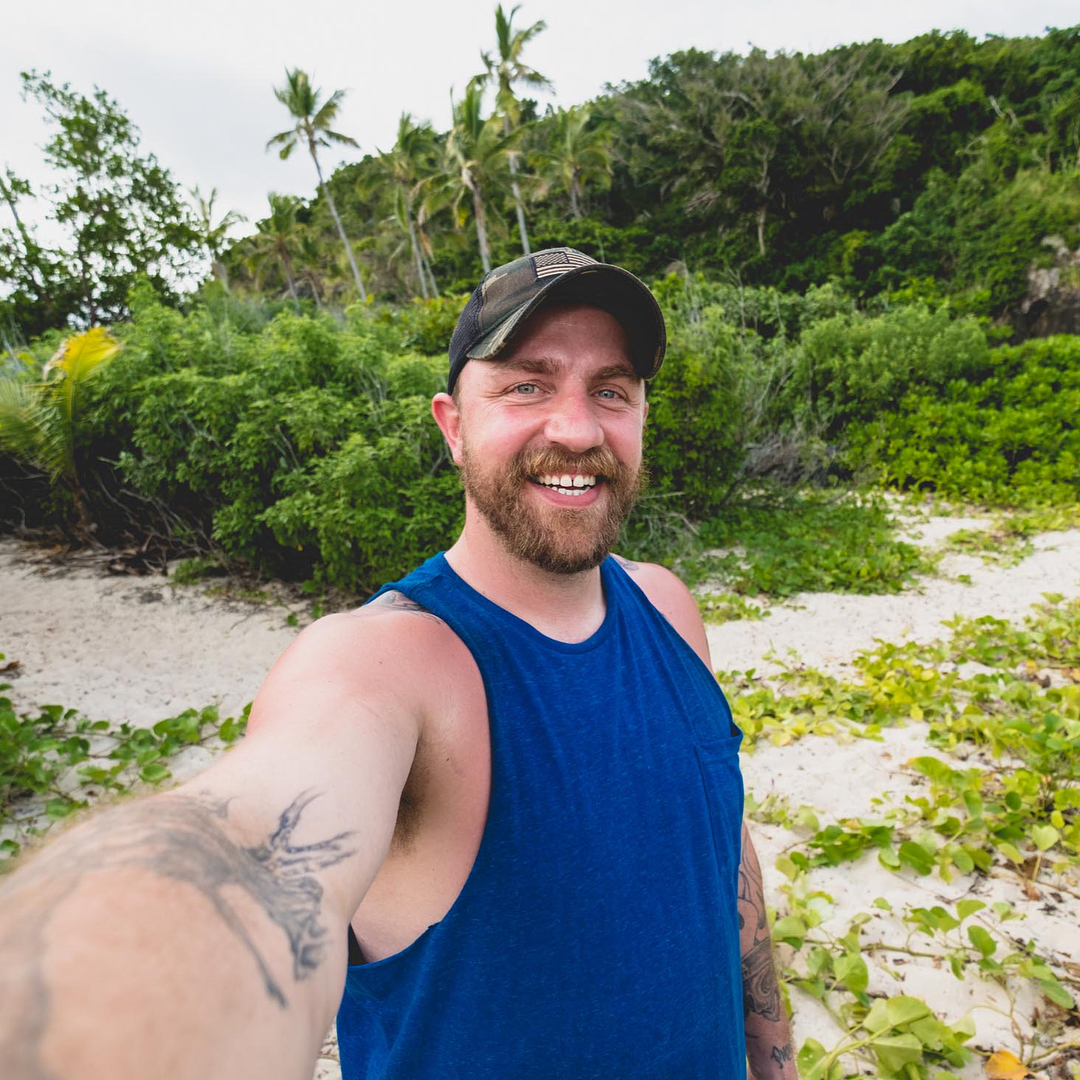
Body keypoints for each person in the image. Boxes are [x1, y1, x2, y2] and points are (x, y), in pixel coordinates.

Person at [0, 248, 795, 1079]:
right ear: (453, 427)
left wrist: (774, 1062)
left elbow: (721, 849)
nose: (578, 428)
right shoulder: (390, 663)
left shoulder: (669, 609)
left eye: (611, 390)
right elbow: (250, 841)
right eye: (527, 386)